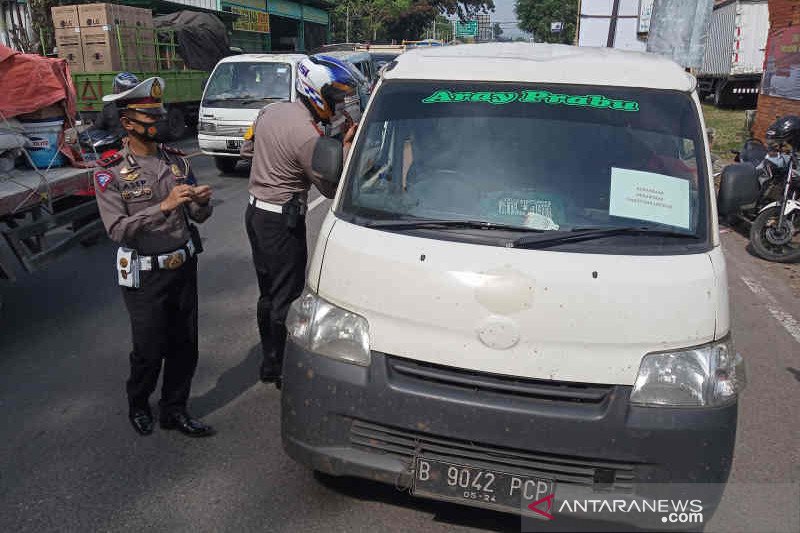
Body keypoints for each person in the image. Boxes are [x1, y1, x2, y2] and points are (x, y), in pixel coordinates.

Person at [94, 76, 215, 437]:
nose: (158, 122)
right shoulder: (110, 170)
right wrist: (162, 206)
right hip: (145, 275)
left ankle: (174, 409)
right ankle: (138, 402)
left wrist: (201, 203)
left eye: (159, 115)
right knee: (148, 348)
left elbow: (198, 217)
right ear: (128, 123)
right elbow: (117, 229)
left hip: (183, 265)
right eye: (149, 117)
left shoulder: (176, 161)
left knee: (184, 344)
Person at [241, 55, 358, 384]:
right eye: (333, 98)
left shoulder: (271, 110)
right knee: (286, 297)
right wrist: (344, 145)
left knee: (267, 293)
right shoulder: (306, 135)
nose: (336, 106)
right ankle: (282, 369)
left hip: (255, 214)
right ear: (316, 92)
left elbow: (246, 152)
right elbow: (330, 186)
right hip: (282, 223)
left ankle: (268, 362)